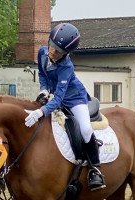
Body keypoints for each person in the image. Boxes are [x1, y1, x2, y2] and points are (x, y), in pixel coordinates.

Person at [24, 22, 106, 191]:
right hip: (55, 96)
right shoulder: (42, 52)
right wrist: (44, 90)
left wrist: (40, 112)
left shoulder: (66, 67)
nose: (53, 52)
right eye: (52, 47)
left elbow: (60, 99)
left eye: (58, 51)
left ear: (66, 53)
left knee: (85, 129)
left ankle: (95, 169)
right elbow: (42, 74)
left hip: (75, 99)